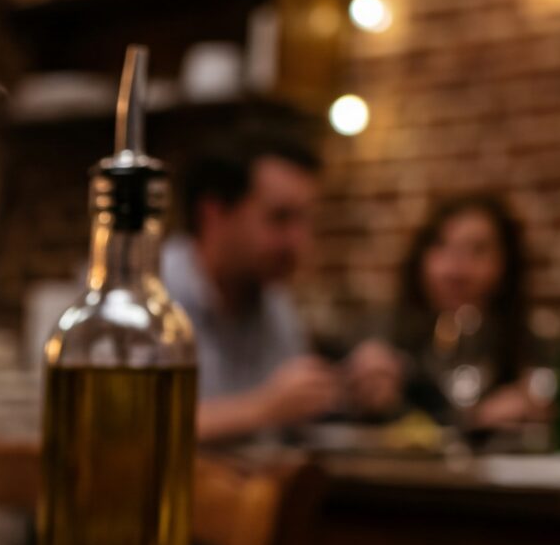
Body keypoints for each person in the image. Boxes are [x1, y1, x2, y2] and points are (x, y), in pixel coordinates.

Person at [162, 134, 396, 441]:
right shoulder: (146, 295)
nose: (300, 242)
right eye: (280, 218)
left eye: (305, 220)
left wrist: (351, 392)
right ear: (214, 214)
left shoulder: (274, 302)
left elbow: (292, 419)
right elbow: (124, 434)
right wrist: (260, 409)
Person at [347, 193, 543, 430]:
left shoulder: (523, 347)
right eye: (442, 246)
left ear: (506, 265)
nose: (456, 269)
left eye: (478, 250)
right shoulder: (384, 332)